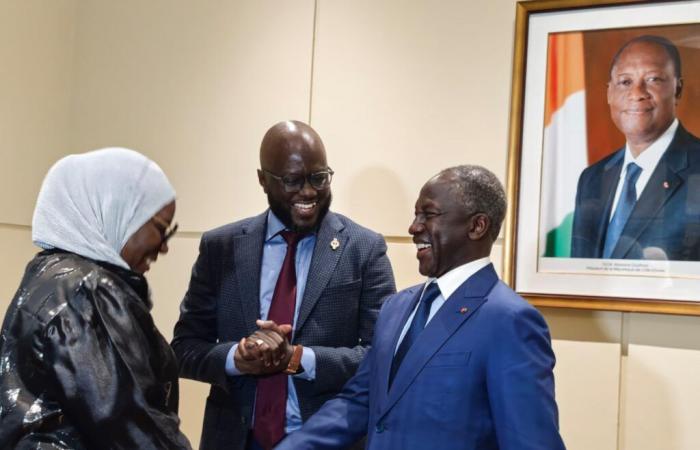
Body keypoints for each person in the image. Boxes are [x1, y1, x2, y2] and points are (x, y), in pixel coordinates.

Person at [276, 165, 565, 450]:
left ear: (477, 226)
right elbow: (359, 402)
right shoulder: (395, 308)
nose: (414, 227)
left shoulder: (510, 321)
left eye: (429, 215)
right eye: (416, 215)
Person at [171, 120, 396, 450]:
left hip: (327, 441)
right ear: (263, 180)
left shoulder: (363, 248)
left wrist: (297, 358)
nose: (308, 192)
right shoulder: (221, 247)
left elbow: (382, 356)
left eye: (319, 178)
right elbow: (184, 349)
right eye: (292, 181)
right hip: (235, 439)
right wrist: (237, 357)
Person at [0, 148, 191, 449]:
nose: (163, 247)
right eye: (160, 229)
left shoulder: (48, 274)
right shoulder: (88, 289)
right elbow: (127, 423)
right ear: (116, 210)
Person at [571, 35, 700, 260]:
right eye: (625, 82)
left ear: (677, 90)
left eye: (653, 79)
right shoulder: (591, 179)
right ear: (609, 93)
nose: (637, 93)